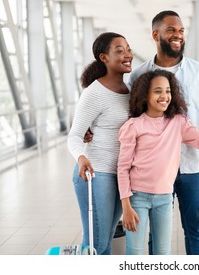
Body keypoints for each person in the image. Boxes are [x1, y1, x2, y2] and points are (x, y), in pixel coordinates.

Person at [127, 10, 199, 255]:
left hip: (192, 165)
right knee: (156, 233)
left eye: (181, 31)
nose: (178, 35)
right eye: (171, 30)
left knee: (195, 228)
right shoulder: (138, 75)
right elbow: (129, 119)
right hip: (154, 168)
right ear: (156, 34)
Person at [117, 69, 199, 255]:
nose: (164, 96)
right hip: (137, 197)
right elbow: (122, 168)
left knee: (163, 252)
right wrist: (126, 206)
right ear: (144, 95)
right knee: (135, 251)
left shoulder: (178, 122)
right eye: (157, 91)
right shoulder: (133, 126)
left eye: (168, 91)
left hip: (164, 197)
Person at [67, 32, 133, 255]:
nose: (127, 55)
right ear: (104, 57)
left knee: (106, 242)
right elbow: (75, 135)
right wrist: (81, 157)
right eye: (120, 51)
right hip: (96, 173)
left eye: (128, 49)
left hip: (121, 174)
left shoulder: (131, 91)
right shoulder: (94, 93)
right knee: (97, 244)